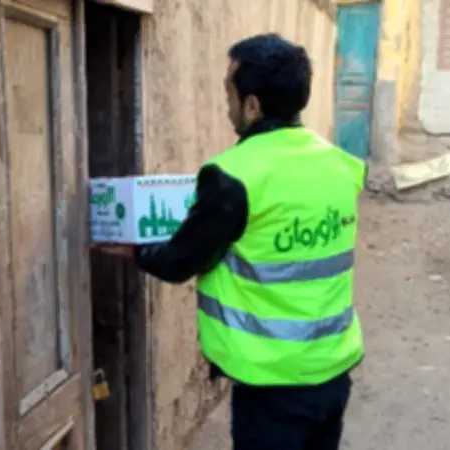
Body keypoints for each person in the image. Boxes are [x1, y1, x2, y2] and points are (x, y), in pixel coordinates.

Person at [96, 33, 366, 450]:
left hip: (273, 384)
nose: (226, 106)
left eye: (229, 93)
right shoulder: (340, 164)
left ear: (252, 105)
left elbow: (181, 260)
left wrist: (135, 248)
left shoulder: (235, 175)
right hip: (333, 368)